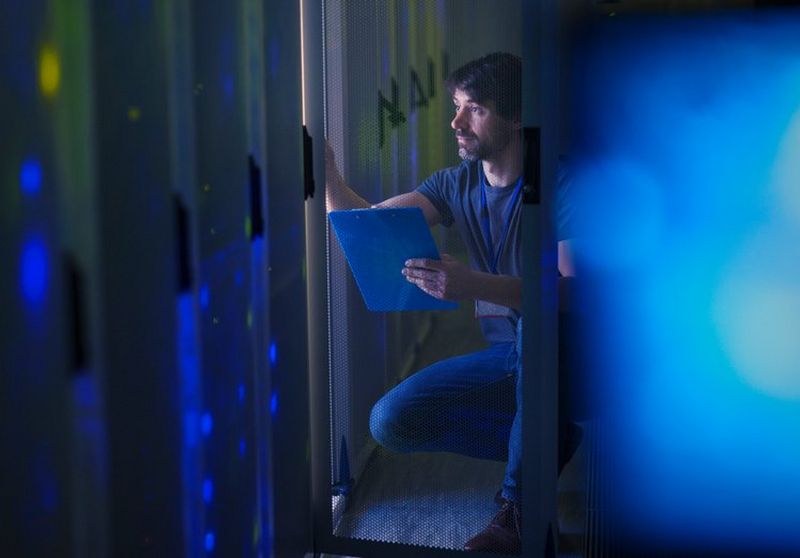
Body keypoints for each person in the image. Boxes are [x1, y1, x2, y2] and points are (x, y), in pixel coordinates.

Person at [325, 52, 576, 555]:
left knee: (538, 328)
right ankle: (548, 442)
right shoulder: (454, 183)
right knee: (392, 422)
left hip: (578, 355)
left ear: (515, 117)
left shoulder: (564, 182)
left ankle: (518, 511)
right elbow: (369, 229)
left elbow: (570, 293)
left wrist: (473, 285)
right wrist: (325, 171)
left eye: (475, 109)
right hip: (513, 358)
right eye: (457, 107)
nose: (457, 122)